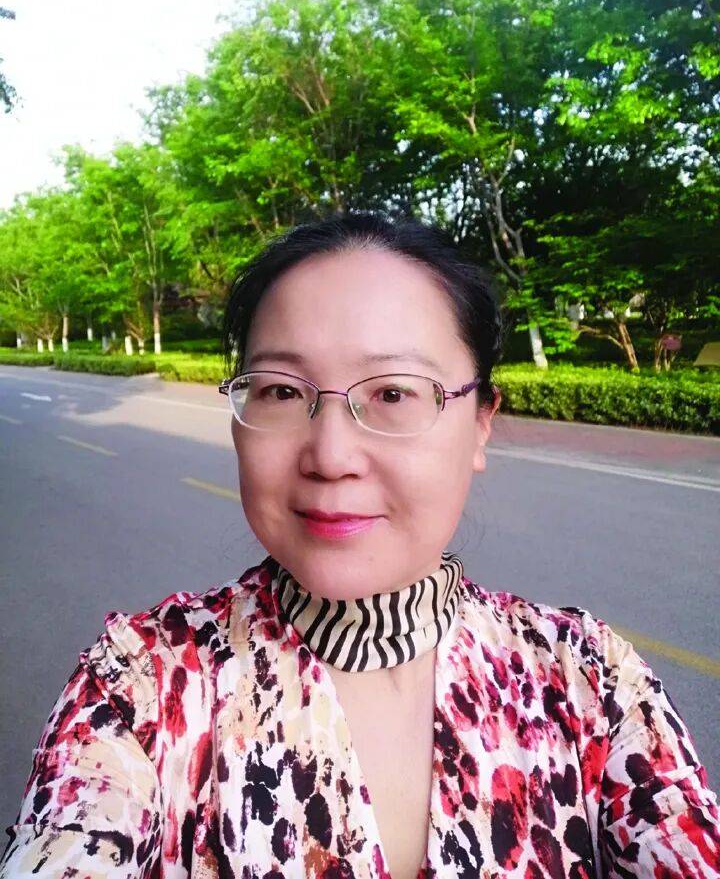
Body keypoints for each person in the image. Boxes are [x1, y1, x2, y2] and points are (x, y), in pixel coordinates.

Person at [1, 213, 718, 879]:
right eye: (281, 392)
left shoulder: (589, 682)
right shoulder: (141, 687)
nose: (331, 455)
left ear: (481, 423)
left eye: (394, 393)